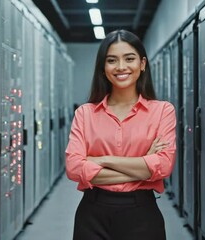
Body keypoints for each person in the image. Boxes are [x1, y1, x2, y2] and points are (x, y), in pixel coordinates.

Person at [65, 29, 176, 240]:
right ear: (103, 68)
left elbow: (163, 166)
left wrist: (101, 160)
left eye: (129, 58)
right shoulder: (85, 113)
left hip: (142, 214)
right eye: (112, 60)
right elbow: (74, 168)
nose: (121, 67)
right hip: (92, 215)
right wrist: (143, 168)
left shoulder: (162, 111)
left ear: (142, 64)